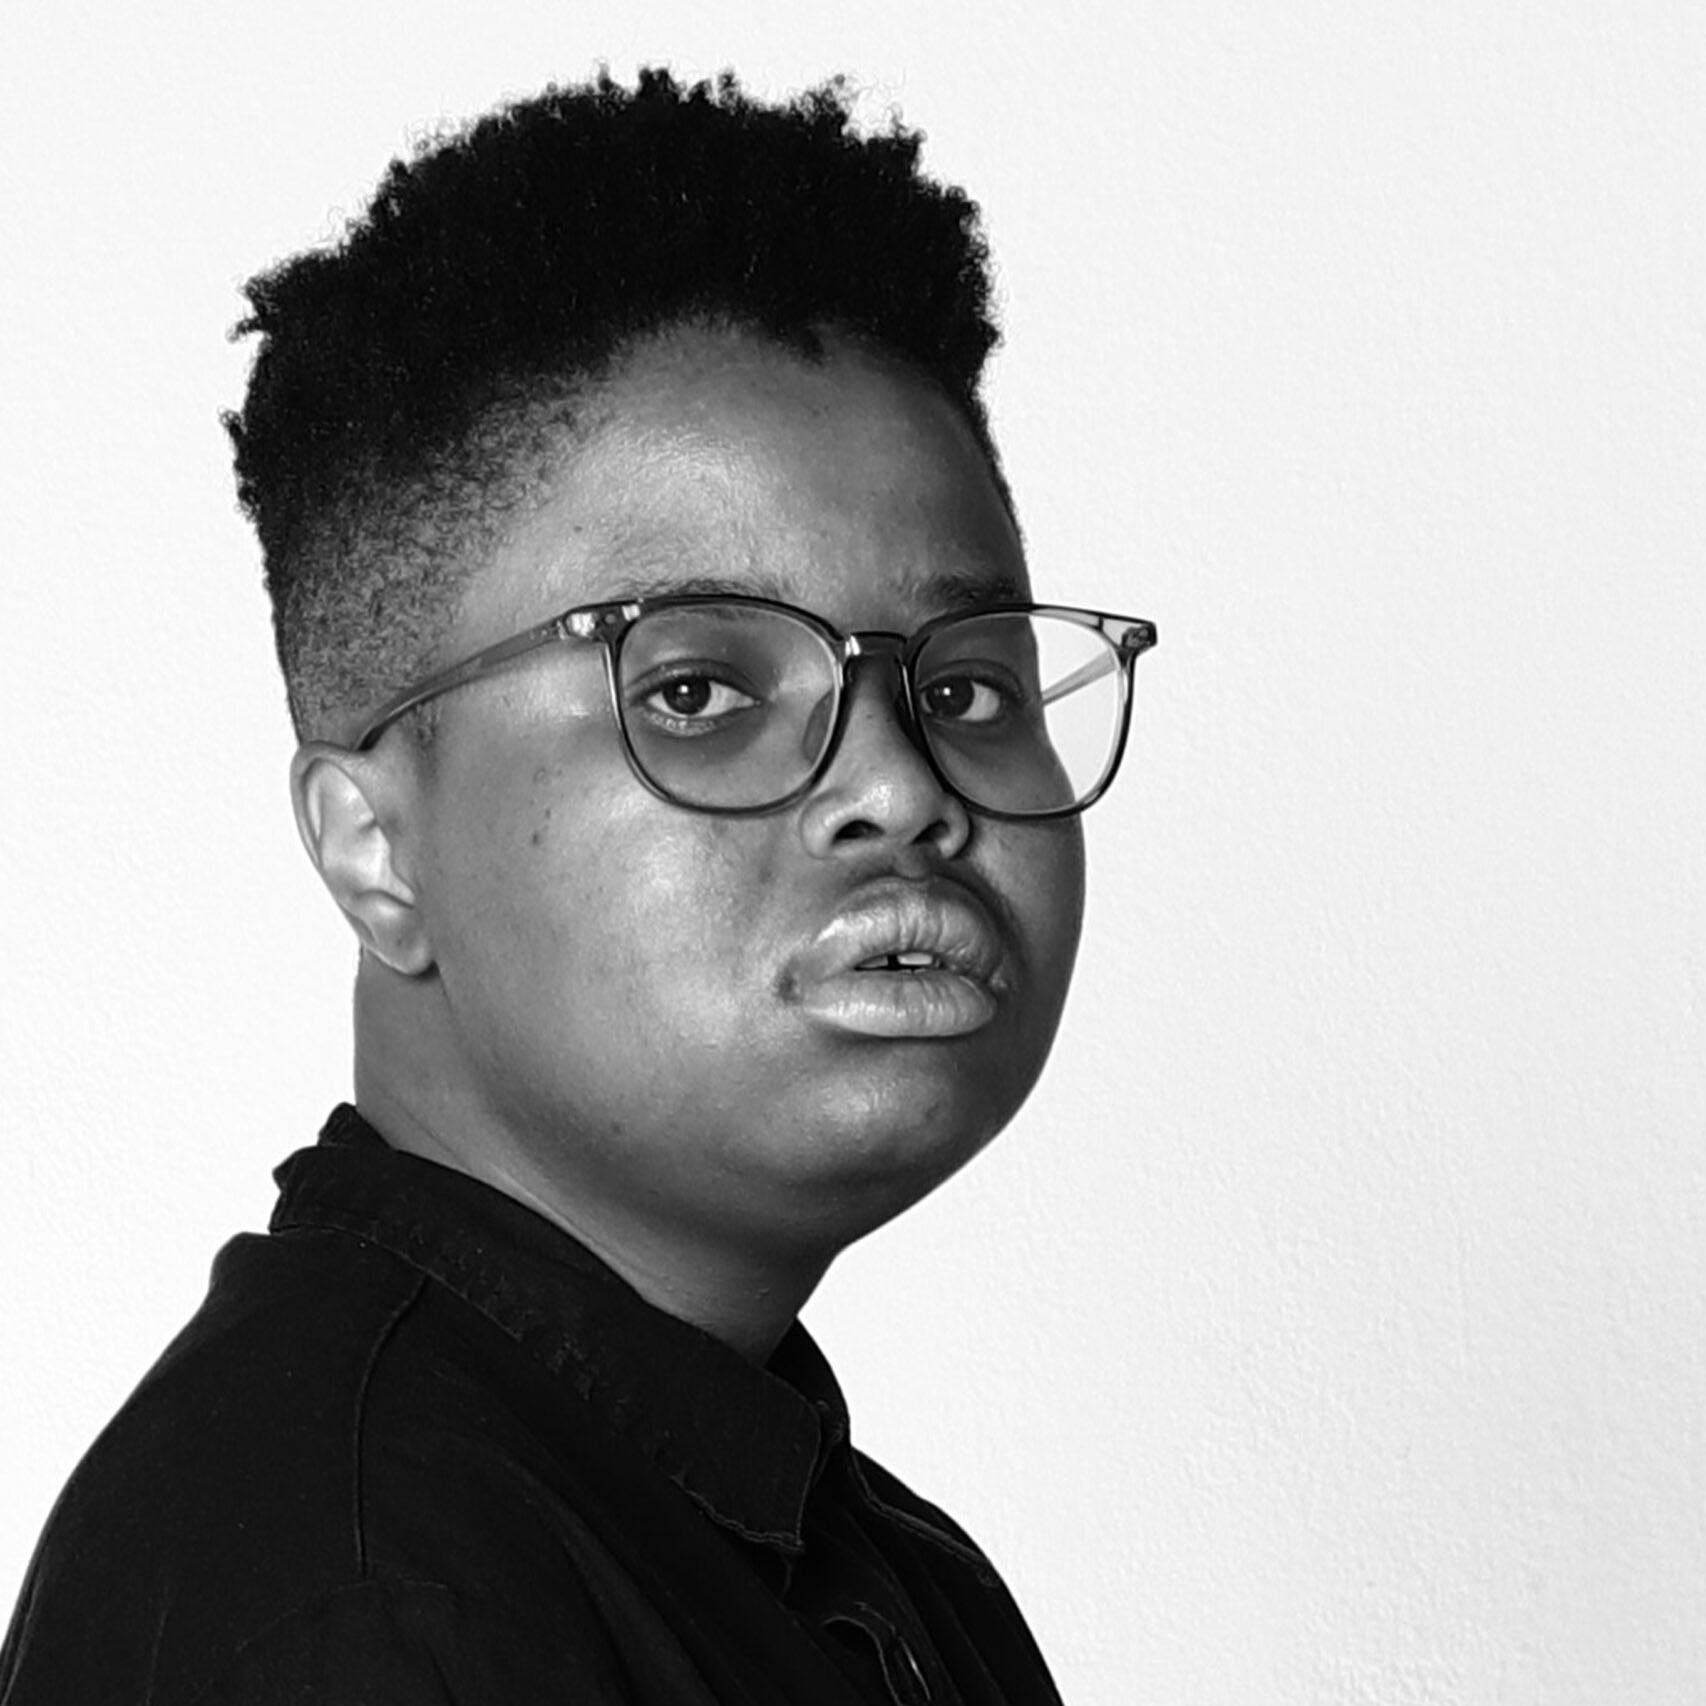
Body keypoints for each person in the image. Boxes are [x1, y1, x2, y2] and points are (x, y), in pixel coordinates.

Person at [0, 68, 1156, 1705]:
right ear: (371, 846)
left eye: (965, 686)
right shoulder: (365, 1610)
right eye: (694, 688)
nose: (899, 787)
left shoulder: (862, 1560)